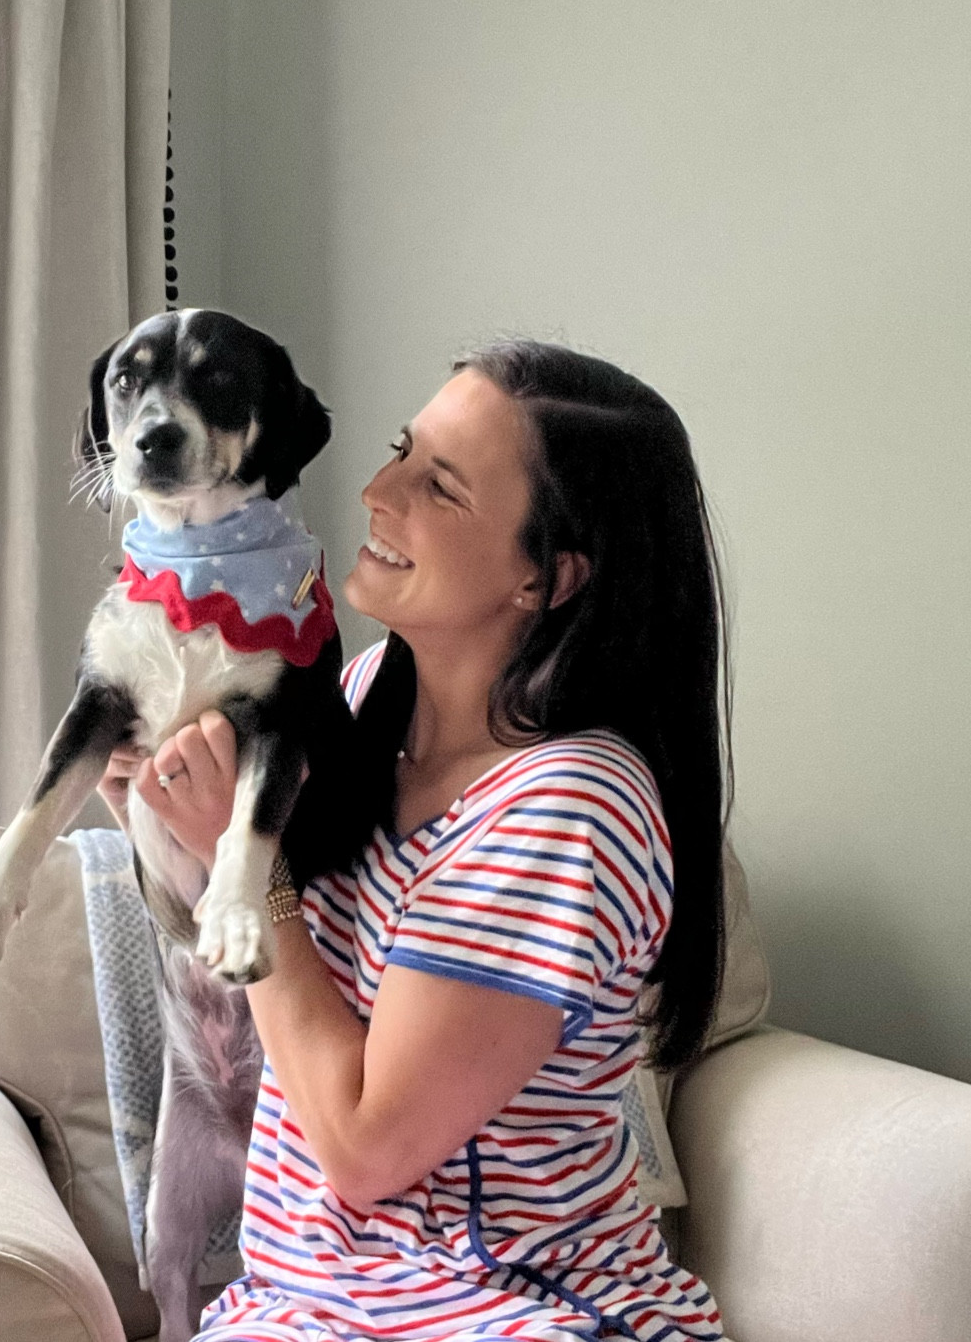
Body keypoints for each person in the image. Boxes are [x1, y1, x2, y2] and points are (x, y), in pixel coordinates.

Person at [99, 341, 730, 1341]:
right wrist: (160, 819)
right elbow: (238, 963)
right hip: (302, 1304)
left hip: (502, 1309)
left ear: (549, 575)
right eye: (401, 451)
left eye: (436, 486)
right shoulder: (355, 707)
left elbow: (362, 1145)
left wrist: (243, 859)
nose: (374, 490)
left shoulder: (572, 805)